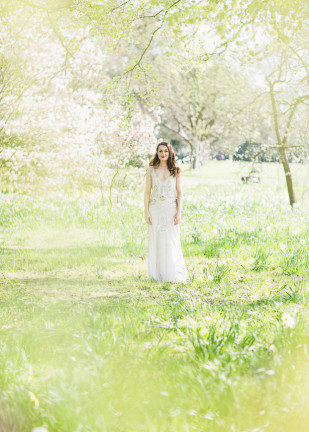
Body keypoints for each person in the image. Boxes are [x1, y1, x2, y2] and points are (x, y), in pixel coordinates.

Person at [144, 141, 187, 283]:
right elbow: (147, 192)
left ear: (170, 153)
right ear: (157, 153)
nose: (163, 154)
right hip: (155, 208)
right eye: (160, 151)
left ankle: (171, 273)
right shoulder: (151, 169)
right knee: (155, 239)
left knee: (170, 239)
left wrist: (178, 212)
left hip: (170, 208)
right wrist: (146, 212)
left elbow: (179, 193)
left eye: (166, 151)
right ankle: (157, 274)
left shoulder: (176, 170)